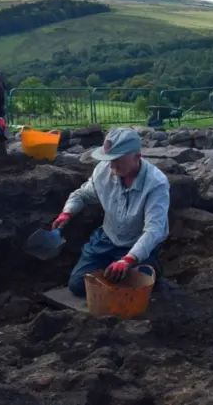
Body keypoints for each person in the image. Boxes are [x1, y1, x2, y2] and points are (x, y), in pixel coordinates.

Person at [53, 127, 171, 298]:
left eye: (117, 160)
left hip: (135, 242)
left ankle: (148, 265)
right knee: (78, 285)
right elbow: (83, 194)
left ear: (137, 157)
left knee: (135, 287)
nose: (112, 165)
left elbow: (154, 230)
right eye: (109, 160)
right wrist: (67, 212)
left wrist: (129, 259)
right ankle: (114, 265)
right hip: (107, 239)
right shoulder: (104, 171)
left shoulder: (156, 183)